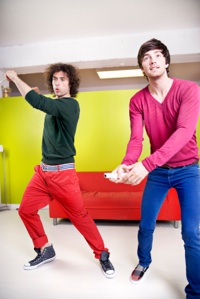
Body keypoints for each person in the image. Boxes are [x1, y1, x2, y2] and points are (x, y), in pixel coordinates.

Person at [5, 63, 115, 278]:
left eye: (63, 79)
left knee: (79, 216)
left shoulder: (71, 105)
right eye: (55, 79)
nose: (58, 83)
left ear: (71, 83)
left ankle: (102, 254)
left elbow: (38, 103)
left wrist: (16, 79)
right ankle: (45, 249)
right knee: (25, 210)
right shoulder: (55, 107)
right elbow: (44, 104)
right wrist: (37, 94)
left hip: (63, 175)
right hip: (43, 173)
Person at [110, 39, 200, 298]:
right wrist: (127, 163)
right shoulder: (137, 100)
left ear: (167, 61)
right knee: (146, 224)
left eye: (158, 55)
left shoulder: (189, 89)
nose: (153, 60)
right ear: (142, 66)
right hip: (159, 173)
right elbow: (136, 139)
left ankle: (195, 291)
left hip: (188, 170)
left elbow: (184, 132)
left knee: (192, 233)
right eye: (147, 57)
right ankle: (144, 261)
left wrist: (147, 164)